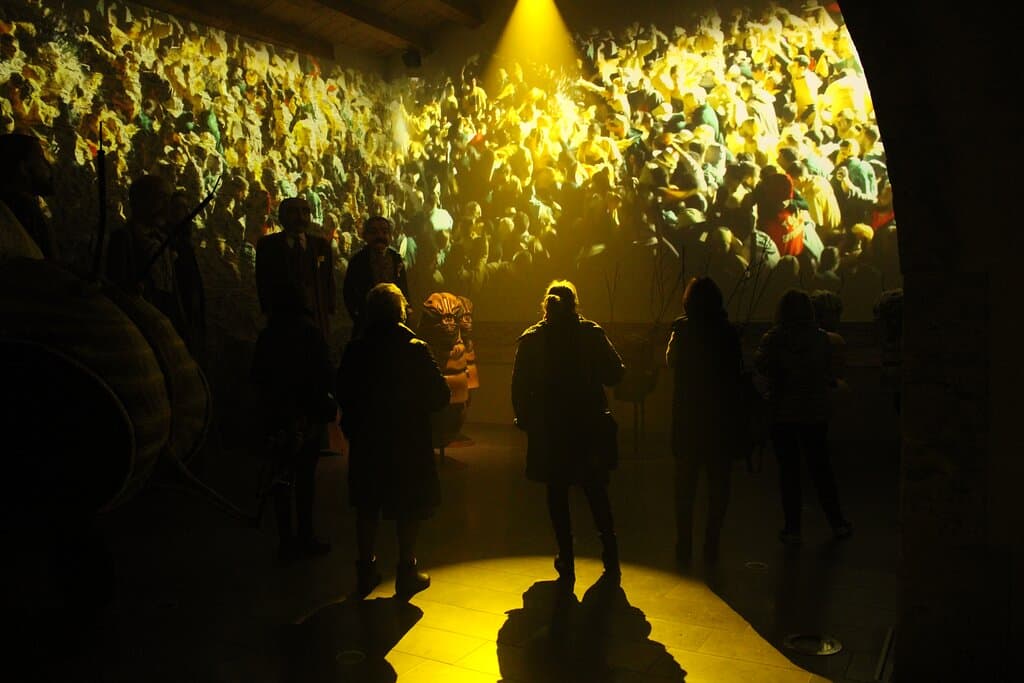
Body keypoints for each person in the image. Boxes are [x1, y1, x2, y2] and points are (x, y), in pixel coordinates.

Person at [336, 283, 450, 598]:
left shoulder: (356, 349)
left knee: (367, 504)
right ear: (401, 310)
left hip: (367, 440)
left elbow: (342, 390)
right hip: (407, 441)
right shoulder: (415, 348)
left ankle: (366, 568)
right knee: (408, 505)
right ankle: (406, 569)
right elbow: (440, 395)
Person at [511, 280, 626, 587]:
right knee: (596, 491)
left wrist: (526, 420)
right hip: (588, 426)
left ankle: (567, 557)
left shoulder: (532, 339)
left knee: (557, 493)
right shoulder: (591, 334)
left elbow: (519, 387)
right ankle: (611, 553)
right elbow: (616, 373)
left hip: (551, 430)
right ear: (576, 304)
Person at [755, 289, 852, 544]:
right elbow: (831, 372)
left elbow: (761, 366)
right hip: (814, 411)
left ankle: (793, 528)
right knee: (821, 469)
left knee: (789, 472)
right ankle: (837, 523)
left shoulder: (772, 339)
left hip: (782, 413)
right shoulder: (823, 340)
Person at [250, 283, 336, 562]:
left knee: (281, 479)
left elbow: (257, 377)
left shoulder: (268, 336)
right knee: (305, 479)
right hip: (308, 415)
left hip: (277, 416)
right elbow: (325, 372)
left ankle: (286, 540)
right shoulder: (310, 333)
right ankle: (306, 535)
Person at [665, 277, 744, 566]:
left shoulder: (682, 329)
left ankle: (683, 541)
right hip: (720, 420)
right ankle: (712, 540)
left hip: (688, 419)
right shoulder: (728, 332)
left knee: (684, 486)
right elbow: (737, 374)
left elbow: (670, 362)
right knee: (719, 486)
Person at [255, 196, 336, 341]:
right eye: (294, 212)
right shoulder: (267, 246)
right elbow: (263, 283)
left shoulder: (321, 245)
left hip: (316, 320)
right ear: (281, 217)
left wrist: (328, 312)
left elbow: (327, 280)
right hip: (281, 322)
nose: (301, 217)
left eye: (305, 212)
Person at [342, 215, 409, 338]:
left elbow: (403, 288)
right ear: (365, 236)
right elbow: (349, 293)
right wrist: (359, 316)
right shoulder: (357, 261)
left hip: (394, 322)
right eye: (374, 232)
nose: (380, 236)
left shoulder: (396, 258)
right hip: (367, 324)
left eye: (385, 232)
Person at [0, 132, 57, 260]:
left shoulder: (24, 211)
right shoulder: (24, 214)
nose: (48, 165)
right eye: (41, 159)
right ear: (23, 168)